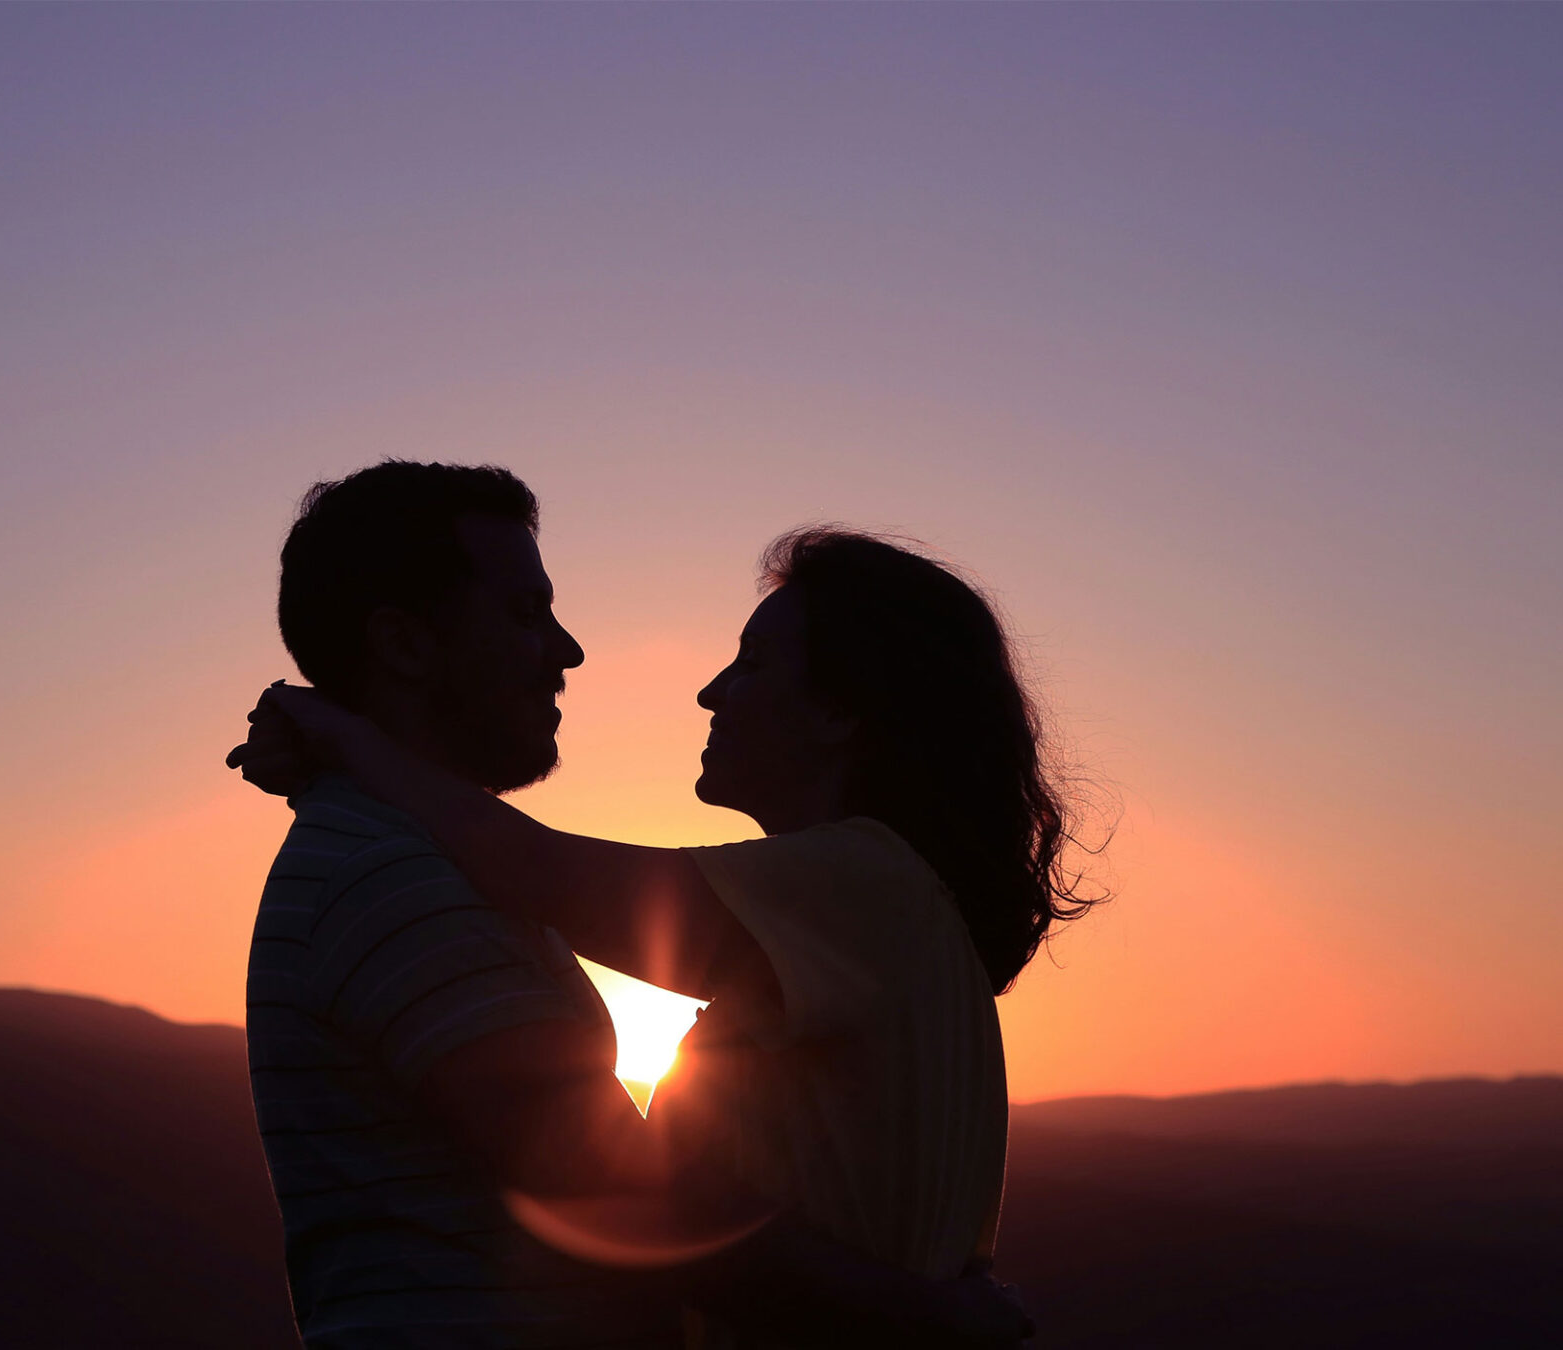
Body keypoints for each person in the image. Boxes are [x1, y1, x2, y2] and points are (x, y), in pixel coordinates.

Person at [232, 462, 1031, 1350]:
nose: (568, 650)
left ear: (845, 713)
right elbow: (609, 1182)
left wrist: (346, 742)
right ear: (407, 648)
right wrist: (936, 1319)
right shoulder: (387, 871)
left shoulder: (865, 889)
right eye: (526, 611)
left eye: (754, 663)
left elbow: (549, 872)